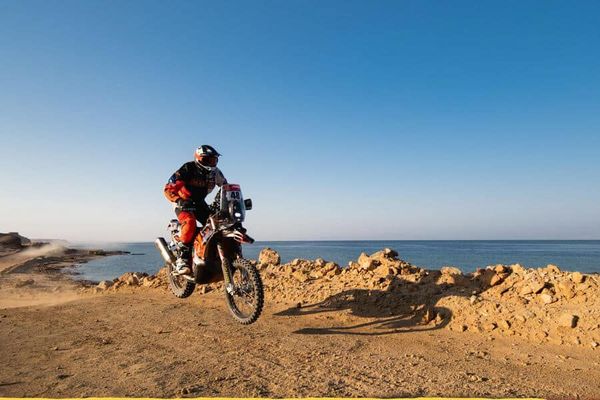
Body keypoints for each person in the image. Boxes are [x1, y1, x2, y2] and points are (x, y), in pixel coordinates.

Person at [163, 145, 227, 274]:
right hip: (183, 201)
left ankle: (209, 254)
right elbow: (169, 188)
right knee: (190, 221)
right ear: (199, 159)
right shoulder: (188, 168)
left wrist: (232, 201)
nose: (211, 163)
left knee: (217, 223)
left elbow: (226, 187)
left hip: (199, 202)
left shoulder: (216, 173)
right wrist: (178, 199)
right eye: (207, 160)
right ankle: (183, 259)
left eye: (214, 160)